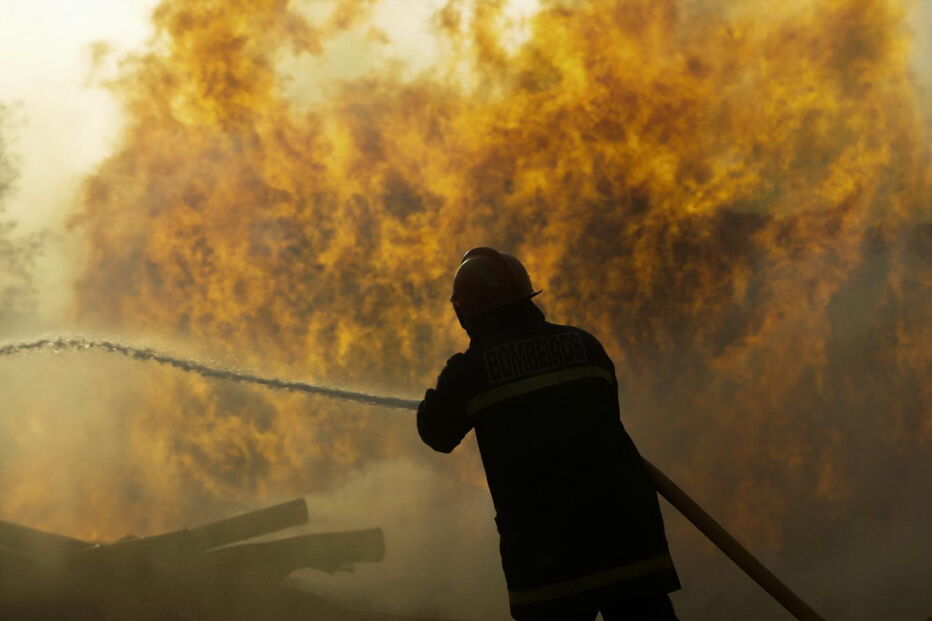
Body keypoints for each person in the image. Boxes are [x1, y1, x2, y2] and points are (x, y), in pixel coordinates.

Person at [417, 247, 681, 621]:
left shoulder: (469, 372)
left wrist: (446, 387)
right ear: (526, 297)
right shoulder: (585, 345)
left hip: (548, 558)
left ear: (464, 312)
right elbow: (605, 415)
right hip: (629, 542)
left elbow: (436, 434)